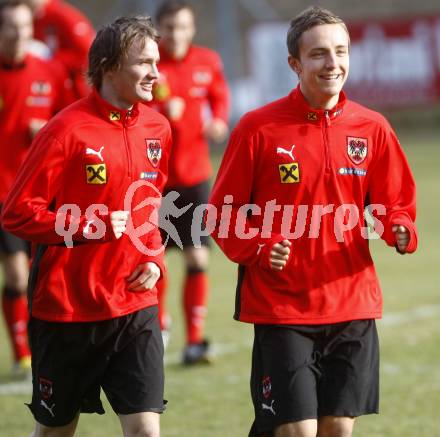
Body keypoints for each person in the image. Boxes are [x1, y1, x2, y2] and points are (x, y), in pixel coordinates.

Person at [208, 6, 417, 437]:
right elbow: (221, 216)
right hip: (282, 308)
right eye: (319, 54)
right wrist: (260, 245)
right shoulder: (257, 129)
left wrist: (400, 227)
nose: (333, 63)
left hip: (352, 304)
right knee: (295, 431)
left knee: (337, 430)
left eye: (340, 51)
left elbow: (397, 203)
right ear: (295, 64)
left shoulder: (372, 127)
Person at [2, 14, 171, 437]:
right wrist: (84, 225)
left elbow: (150, 210)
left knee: (145, 431)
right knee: (56, 431)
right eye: (144, 63)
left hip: (134, 305)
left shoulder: (158, 128)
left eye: (157, 61)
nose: (156, 73)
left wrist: (153, 256)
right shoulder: (65, 130)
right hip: (67, 310)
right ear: (110, 67)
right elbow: (17, 213)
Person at [151, 0, 230, 364]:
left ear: (192, 29)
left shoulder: (208, 61)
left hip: (196, 177)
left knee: (197, 258)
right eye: (169, 27)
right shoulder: (149, 64)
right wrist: (164, 111)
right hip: (156, 181)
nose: (176, 34)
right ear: (159, 29)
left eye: (182, 27)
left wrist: (218, 120)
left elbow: (219, 96)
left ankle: (194, 341)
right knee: (157, 261)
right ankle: (160, 325)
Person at [0, 0, 72, 377]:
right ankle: (22, 353)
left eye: (25, 28)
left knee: (40, 274)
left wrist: (45, 130)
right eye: (11, 27)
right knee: (15, 274)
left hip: (40, 192)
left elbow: (68, 123)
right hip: (2, 193)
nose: (18, 35)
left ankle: (45, 344)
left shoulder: (50, 70)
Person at [25, 0, 95, 99]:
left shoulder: (62, 15)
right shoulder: (32, 15)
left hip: (72, 93)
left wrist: (49, 61)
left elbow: (87, 53)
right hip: (43, 89)